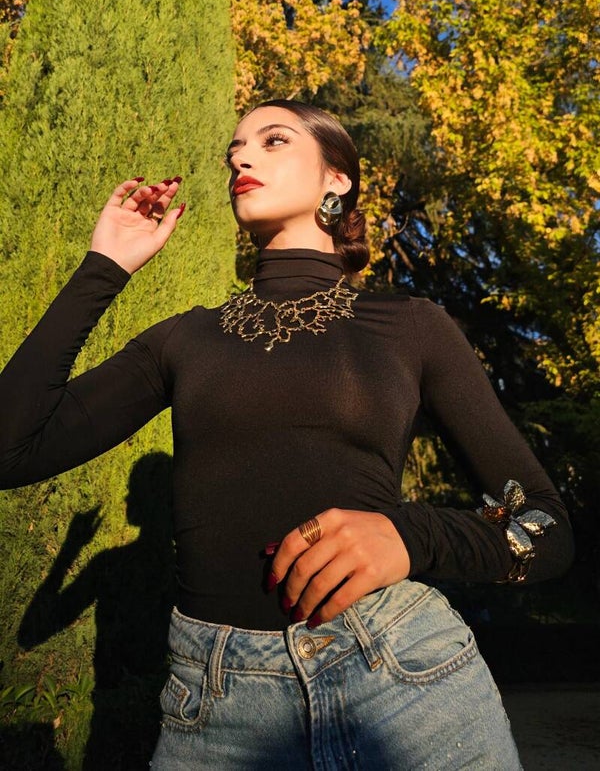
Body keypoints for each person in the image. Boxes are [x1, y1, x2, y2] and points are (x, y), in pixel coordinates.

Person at [0, 100, 574, 770]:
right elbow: (12, 450)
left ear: (337, 178)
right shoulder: (184, 338)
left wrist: (411, 535)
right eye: (235, 149)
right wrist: (105, 265)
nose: (240, 157)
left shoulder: (411, 326)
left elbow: (546, 527)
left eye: (273, 140)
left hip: (403, 683)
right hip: (216, 707)